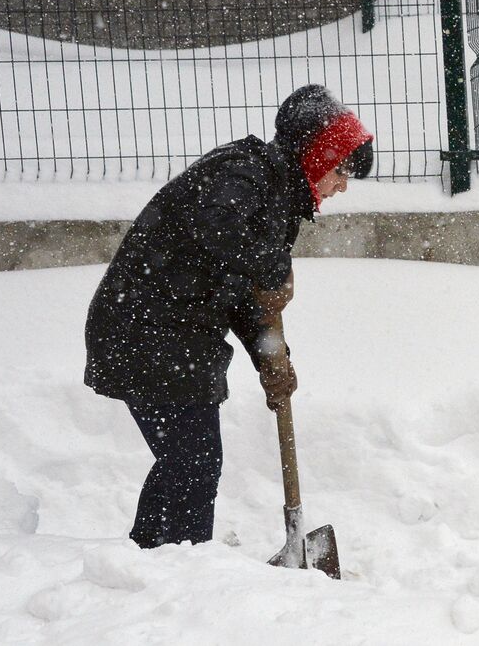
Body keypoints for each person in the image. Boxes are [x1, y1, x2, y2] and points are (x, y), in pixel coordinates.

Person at [85, 85, 374, 548]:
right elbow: (217, 228)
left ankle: (155, 560)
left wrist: (271, 362)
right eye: (340, 171)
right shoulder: (244, 173)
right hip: (145, 328)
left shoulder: (279, 198)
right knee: (193, 461)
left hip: (179, 335)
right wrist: (273, 263)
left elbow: (245, 296)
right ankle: (179, 567)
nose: (342, 185)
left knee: (188, 462)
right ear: (317, 157)